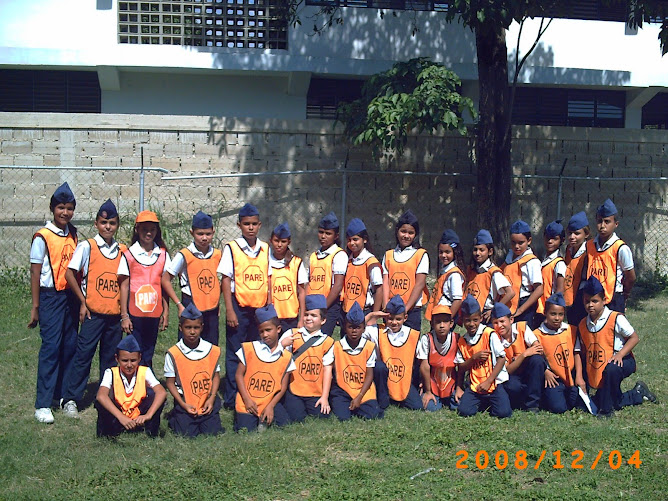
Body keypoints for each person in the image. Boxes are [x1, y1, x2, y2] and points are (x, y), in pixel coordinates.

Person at [60, 199, 126, 418]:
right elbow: (70, 273)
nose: (108, 227)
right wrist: (83, 301)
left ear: (117, 225)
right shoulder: (88, 246)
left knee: (109, 359)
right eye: (104, 222)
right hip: (93, 313)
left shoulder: (121, 250)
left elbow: (124, 282)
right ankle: (70, 398)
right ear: (97, 223)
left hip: (114, 315)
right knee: (84, 355)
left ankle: (104, 398)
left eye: (112, 223)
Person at [29, 182, 79, 423]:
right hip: (50, 296)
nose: (65, 213)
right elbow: (35, 273)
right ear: (52, 208)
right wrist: (36, 306)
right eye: (61, 207)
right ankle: (43, 403)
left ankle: (63, 395)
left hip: (71, 297)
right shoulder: (43, 236)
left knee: (69, 345)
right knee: (51, 347)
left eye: (69, 208)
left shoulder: (73, 234)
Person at [217, 203, 272, 409]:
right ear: (239, 225)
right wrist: (230, 309)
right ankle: (232, 398)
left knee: (256, 350)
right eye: (246, 224)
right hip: (239, 308)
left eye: (254, 224)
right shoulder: (232, 248)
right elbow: (225, 280)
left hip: (259, 310)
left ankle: (254, 390)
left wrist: (269, 306)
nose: (250, 228)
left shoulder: (265, 248)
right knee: (235, 352)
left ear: (260, 225)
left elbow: (268, 279)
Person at [578, 276, 656, 418]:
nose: (590, 305)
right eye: (587, 301)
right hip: (600, 363)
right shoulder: (583, 324)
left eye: (595, 301)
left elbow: (634, 338)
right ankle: (638, 393)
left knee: (611, 370)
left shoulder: (615, 318)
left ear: (604, 300)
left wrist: (619, 354)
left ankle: (606, 411)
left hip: (622, 361)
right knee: (608, 397)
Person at [118, 210, 171, 370]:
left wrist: (166, 311)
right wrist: (124, 316)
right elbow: (124, 286)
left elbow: (165, 285)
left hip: (154, 311)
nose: (148, 233)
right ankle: (134, 384)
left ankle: (146, 385)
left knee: (149, 350)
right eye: (144, 229)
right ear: (137, 230)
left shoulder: (162, 254)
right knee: (135, 350)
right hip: (135, 313)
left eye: (152, 230)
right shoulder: (129, 255)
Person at [162, 210, 222, 345]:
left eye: (208, 234)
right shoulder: (184, 255)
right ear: (192, 233)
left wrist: (217, 302)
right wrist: (179, 305)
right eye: (200, 234)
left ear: (213, 232)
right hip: (190, 304)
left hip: (211, 308)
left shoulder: (217, 254)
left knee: (211, 345)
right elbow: (165, 280)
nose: (204, 238)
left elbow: (223, 279)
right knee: (188, 344)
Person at [164, 303, 224, 437]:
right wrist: (183, 404)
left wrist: (212, 398)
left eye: (196, 327)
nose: (192, 332)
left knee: (212, 432)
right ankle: (177, 416)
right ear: (181, 328)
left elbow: (215, 376)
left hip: (206, 398)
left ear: (202, 327)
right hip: (185, 400)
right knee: (187, 434)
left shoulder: (210, 350)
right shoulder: (174, 353)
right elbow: (170, 383)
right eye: (188, 327)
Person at [235, 305, 294, 432]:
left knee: (284, 425)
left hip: (269, 400)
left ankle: (265, 417)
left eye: (268, 330)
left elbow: (283, 387)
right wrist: (246, 399)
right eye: (261, 331)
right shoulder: (249, 349)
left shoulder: (286, 356)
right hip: (248, 400)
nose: (265, 334)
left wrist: (271, 405)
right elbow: (239, 375)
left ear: (278, 329)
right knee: (245, 431)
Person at [95, 335, 166, 438]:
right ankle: (108, 434)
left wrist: (148, 415)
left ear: (139, 358)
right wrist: (121, 417)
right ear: (117, 359)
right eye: (124, 361)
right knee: (102, 400)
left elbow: (162, 392)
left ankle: (150, 432)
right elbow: (101, 396)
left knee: (154, 395)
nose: (129, 365)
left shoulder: (144, 371)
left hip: (139, 417)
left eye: (133, 360)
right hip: (118, 417)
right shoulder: (110, 372)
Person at [366, 295, 428, 411]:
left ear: (405, 318)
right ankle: (384, 397)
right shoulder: (376, 331)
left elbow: (421, 361)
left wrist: (422, 382)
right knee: (379, 367)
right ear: (385, 317)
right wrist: (372, 316)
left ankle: (400, 394)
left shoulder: (412, 334)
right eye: (390, 318)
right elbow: (356, 328)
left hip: (403, 379)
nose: (394, 322)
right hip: (383, 378)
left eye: (398, 319)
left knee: (417, 406)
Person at [455, 295, 512, 418]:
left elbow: (501, 359)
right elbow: (461, 367)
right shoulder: (463, 341)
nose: (471, 324)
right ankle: (482, 401)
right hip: (475, 384)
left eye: (475, 320)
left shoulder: (489, 334)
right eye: (467, 320)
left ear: (481, 318)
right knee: (464, 411)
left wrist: (488, 381)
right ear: (462, 321)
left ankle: (490, 401)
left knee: (503, 413)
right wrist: (473, 358)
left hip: (494, 381)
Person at [280, 294, 334, 421]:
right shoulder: (292, 334)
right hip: (294, 389)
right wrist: (282, 345)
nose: (309, 318)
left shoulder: (328, 342)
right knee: (296, 417)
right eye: (306, 314)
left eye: (314, 316)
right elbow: (275, 357)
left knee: (322, 416)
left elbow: (327, 370)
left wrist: (325, 397)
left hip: (315, 391)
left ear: (323, 320)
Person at [534, 292, 585, 414]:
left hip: (571, 375)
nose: (557, 318)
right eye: (553, 314)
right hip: (553, 377)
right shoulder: (537, 334)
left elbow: (576, 353)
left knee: (577, 403)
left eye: (560, 314)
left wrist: (579, 376)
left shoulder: (571, 330)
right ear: (545, 313)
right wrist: (546, 371)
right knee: (559, 408)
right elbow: (538, 358)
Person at [330, 303, 382, 421]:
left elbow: (369, 374)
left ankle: (360, 403)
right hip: (343, 389)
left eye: (358, 327)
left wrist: (359, 396)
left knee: (372, 415)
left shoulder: (369, 346)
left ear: (363, 328)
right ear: (345, 327)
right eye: (350, 327)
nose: (354, 331)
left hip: (362, 388)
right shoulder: (337, 346)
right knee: (343, 417)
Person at [491, 302, 544, 412]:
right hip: (512, 374)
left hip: (527, 369)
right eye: (495, 323)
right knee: (511, 386)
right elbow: (506, 370)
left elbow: (538, 348)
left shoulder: (522, 327)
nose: (499, 326)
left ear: (511, 320)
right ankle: (520, 401)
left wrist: (523, 357)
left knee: (537, 360)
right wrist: (523, 355)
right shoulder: (494, 338)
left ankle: (532, 404)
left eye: (502, 321)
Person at [585, 199, 635, 313]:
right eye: (599, 221)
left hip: (614, 298)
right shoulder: (589, 245)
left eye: (607, 222)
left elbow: (630, 277)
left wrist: (625, 295)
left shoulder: (620, 248)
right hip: (593, 297)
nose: (602, 226)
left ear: (616, 224)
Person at [382, 210, 429, 330]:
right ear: (397, 231)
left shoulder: (420, 254)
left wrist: (405, 310)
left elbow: (419, 284)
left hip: (411, 310)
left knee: (410, 346)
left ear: (415, 234)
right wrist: (386, 306)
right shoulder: (389, 255)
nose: (406, 236)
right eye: (403, 231)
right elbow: (386, 283)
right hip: (391, 311)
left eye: (411, 233)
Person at [307, 212, 347, 336]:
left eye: (328, 233)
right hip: (312, 306)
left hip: (328, 306)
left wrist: (323, 308)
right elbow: (310, 281)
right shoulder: (314, 255)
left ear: (336, 236)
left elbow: (337, 286)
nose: (323, 236)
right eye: (321, 232)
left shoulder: (339, 255)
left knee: (320, 339)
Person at [464, 229, 514, 324]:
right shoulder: (472, 270)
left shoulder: (493, 272)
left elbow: (510, 292)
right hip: (473, 314)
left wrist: (494, 310)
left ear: (490, 251)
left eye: (481, 250)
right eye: (475, 250)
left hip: (486, 316)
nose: (477, 253)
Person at [502, 220, 543, 326]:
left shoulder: (532, 261)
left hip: (524, 305)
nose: (516, 246)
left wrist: (521, 310)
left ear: (529, 241)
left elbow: (539, 289)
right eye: (513, 242)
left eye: (521, 243)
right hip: (509, 303)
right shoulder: (509, 257)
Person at [268, 222, 307, 332]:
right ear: (271, 241)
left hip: (290, 317)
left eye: (283, 241)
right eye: (276, 241)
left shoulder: (296, 262)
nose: (279, 245)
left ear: (289, 242)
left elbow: (302, 292)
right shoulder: (266, 261)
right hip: (272, 316)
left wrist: (301, 318)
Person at [420, 304, 459, 411]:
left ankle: (452, 396)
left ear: (451, 323)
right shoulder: (427, 339)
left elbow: (461, 366)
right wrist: (427, 391)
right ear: (432, 323)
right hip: (433, 385)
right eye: (438, 322)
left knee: (461, 405)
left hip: (452, 384)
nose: (442, 325)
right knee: (431, 407)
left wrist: (459, 388)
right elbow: (424, 366)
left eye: (445, 321)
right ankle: (431, 395)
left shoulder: (457, 338)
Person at [342, 218, 382, 317]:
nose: (352, 243)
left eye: (355, 239)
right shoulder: (348, 260)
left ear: (364, 239)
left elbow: (379, 289)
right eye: (349, 240)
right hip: (347, 311)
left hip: (364, 311)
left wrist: (374, 315)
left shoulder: (371, 262)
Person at [425, 229, 465, 322]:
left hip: (446, 314)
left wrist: (448, 320)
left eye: (447, 252)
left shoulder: (454, 274)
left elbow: (457, 299)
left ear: (455, 252)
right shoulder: (444, 271)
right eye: (441, 252)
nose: (443, 255)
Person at [534, 219, 566, 329]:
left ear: (561, 240)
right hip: (539, 306)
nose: (550, 241)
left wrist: (552, 309)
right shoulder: (544, 259)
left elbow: (560, 289)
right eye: (547, 238)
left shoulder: (559, 263)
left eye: (554, 238)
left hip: (548, 309)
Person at [564, 211, 590, 326]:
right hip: (569, 292)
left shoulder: (588, 252)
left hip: (581, 294)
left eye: (577, 233)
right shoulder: (568, 249)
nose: (572, 237)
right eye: (570, 233)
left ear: (586, 234)